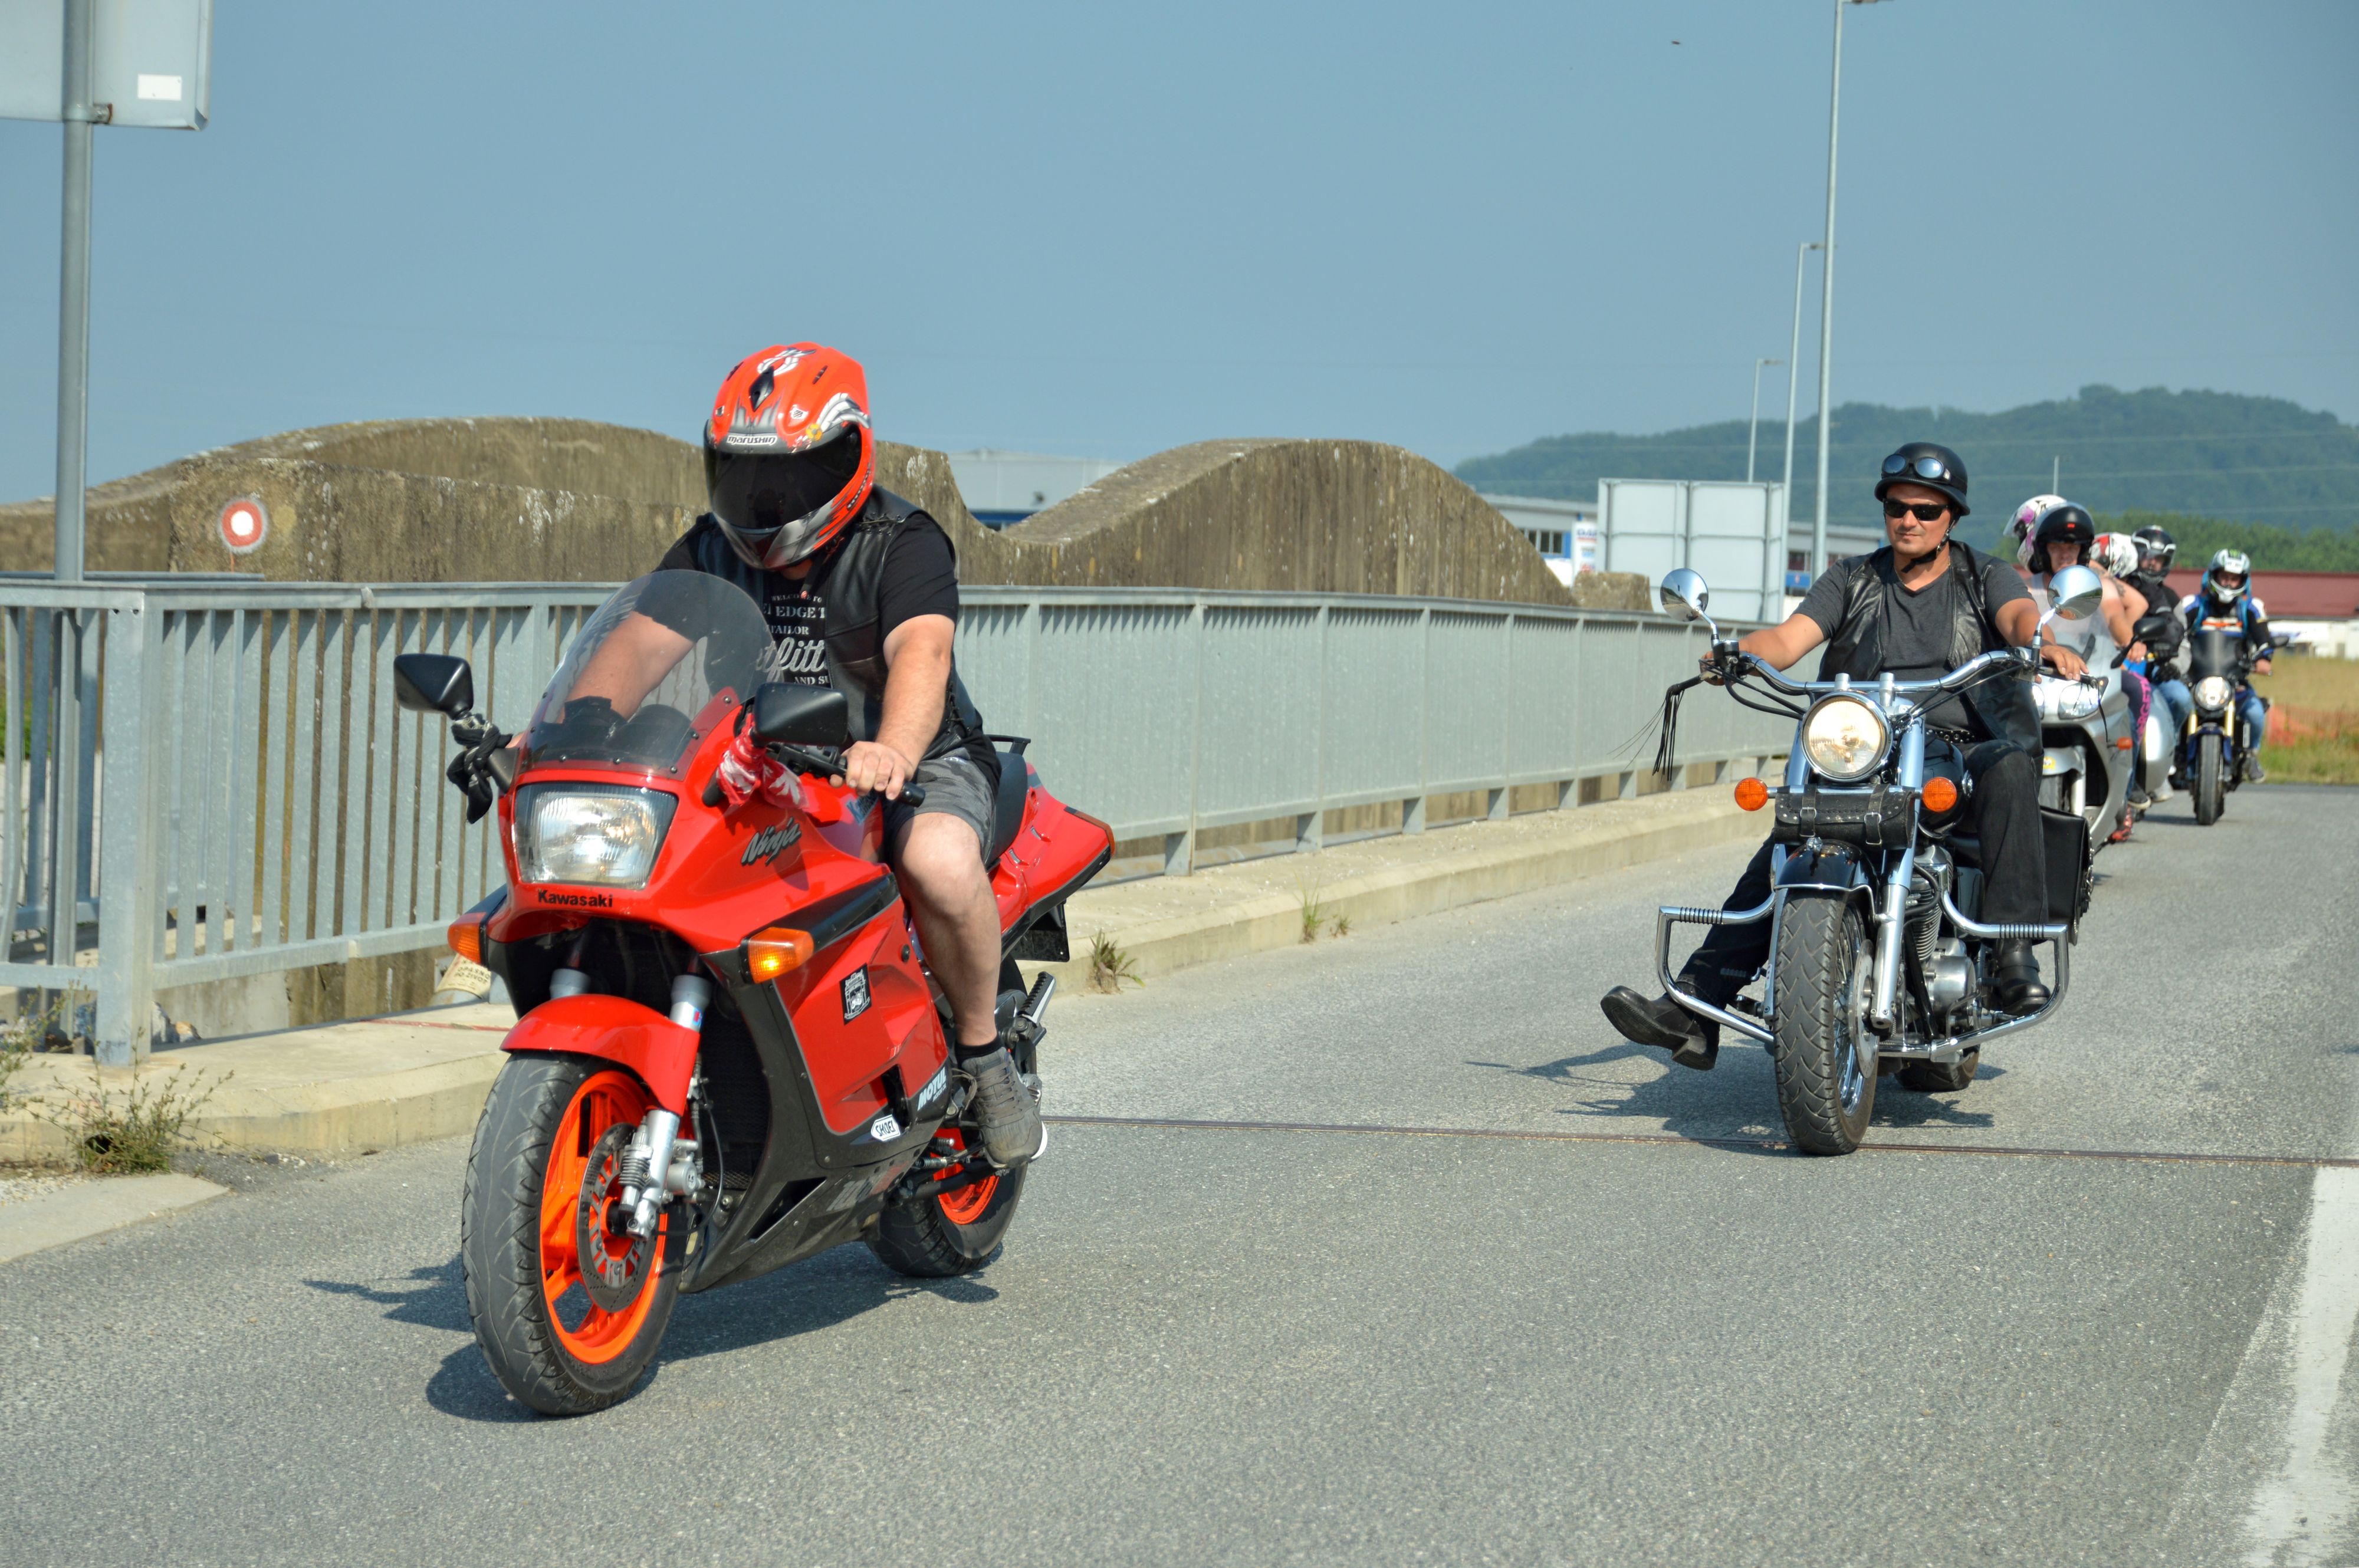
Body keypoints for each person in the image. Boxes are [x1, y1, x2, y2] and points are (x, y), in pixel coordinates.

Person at [562, 344, 1042, 1166]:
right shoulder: (712, 549)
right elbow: (637, 643)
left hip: (911, 760)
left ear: (847, 458)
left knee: (936, 861)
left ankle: (981, 1052)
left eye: (785, 480)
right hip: (760, 762)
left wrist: (891, 747)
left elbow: (922, 653)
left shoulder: (903, 541)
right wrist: (577, 725)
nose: (763, 500)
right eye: (745, 479)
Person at [1599, 442, 2087, 1070]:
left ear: (1951, 519)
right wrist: (1738, 652)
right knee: (1792, 832)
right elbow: (1790, 636)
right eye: (1896, 508)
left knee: (2013, 765)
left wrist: (2036, 642)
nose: (1908, 520)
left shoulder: (1983, 575)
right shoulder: (1851, 578)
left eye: (1924, 510)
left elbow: (2018, 615)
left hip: (1956, 746)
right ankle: (1696, 1006)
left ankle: (2016, 951)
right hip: (1860, 743)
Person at [2181, 548, 2274, 783]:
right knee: (2174, 704)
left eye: (2235, 579)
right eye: (2225, 577)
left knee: (2254, 711)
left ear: (2243, 581)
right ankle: (2172, 753)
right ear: (2213, 575)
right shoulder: (2194, 605)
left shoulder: (2250, 608)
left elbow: (2264, 640)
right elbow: (2175, 632)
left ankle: (2251, 755)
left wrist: (2264, 658)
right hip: (2194, 679)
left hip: (2234, 681)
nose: (2229, 583)